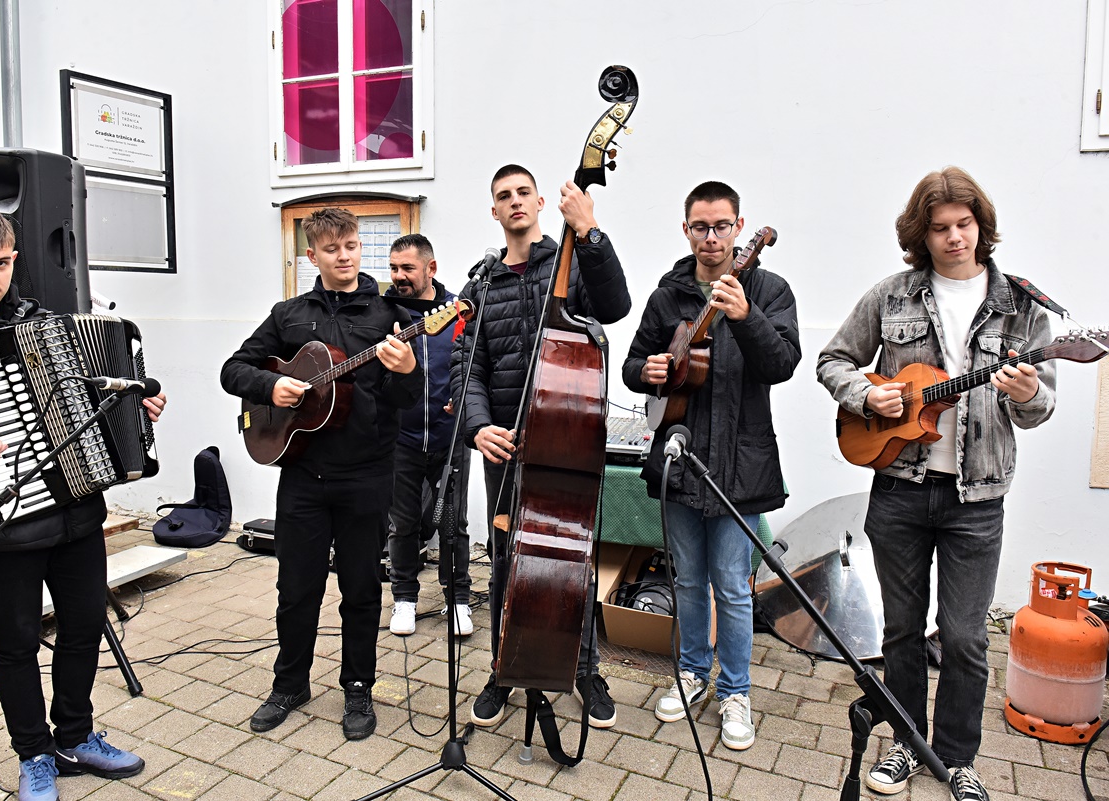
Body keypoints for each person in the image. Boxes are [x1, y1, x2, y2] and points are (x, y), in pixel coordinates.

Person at [0, 206, 167, 801]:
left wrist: (136, 406)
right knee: (16, 641)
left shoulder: (41, 322)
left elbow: (91, 398)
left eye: (2, 264)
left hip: (75, 508)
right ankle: (34, 755)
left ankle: (75, 736)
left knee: (85, 626)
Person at [817, 167, 1055, 801]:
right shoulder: (891, 296)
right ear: (920, 236)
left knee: (965, 637)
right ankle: (906, 742)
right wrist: (867, 395)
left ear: (981, 225)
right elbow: (833, 360)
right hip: (898, 488)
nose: (954, 237)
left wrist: (1027, 392)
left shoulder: (1022, 306)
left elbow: (1040, 408)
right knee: (900, 630)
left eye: (964, 224)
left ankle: (956, 758)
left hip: (977, 499)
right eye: (940, 228)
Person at [221, 208, 422, 741]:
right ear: (312, 255)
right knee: (296, 588)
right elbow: (233, 369)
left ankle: (357, 687)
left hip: (367, 474)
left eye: (351, 245)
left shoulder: (389, 314)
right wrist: (270, 387)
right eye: (332, 249)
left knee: (361, 589)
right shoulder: (288, 315)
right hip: (303, 475)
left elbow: (408, 398)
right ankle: (290, 684)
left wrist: (408, 371)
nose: (345, 256)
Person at [622, 180, 800, 751]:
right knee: (688, 579)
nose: (711, 237)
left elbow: (783, 363)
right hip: (679, 456)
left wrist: (746, 317)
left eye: (722, 226)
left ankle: (736, 691)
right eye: (700, 226)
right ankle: (693, 672)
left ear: (739, 227)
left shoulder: (769, 289)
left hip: (740, 466)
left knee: (732, 585)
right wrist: (646, 371)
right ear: (686, 230)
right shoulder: (668, 294)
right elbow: (632, 363)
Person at [452, 164, 631, 729]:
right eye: (503, 195)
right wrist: (478, 426)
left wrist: (591, 232)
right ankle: (503, 669)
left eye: (523, 192)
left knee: (574, 559)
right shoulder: (481, 285)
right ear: (494, 210)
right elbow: (467, 366)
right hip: (506, 447)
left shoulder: (570, 261)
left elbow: (615, 305)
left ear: (538, 202)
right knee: (506, 561)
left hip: (568, 439)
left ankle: (584, 670)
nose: (515, 201)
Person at [383, 233, 473, 637]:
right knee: (402, 524)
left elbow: (474, 364)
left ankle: (458, 599)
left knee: (455, 523)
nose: (398, 276)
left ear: (431, 268)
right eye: (393, 268)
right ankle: (404, 599)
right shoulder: (382, 312)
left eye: (407, 268)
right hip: (400, 439)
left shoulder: (458, 310)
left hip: (450, 438)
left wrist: (463, 397)